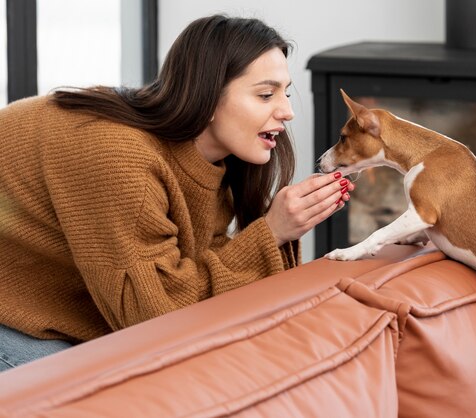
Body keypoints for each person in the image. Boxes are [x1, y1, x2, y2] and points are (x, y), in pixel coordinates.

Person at [0, 15, 354, 372]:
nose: (288, 112)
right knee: (87, 395)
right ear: (208, 94)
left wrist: (277, 230)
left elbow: (193, 271)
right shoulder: (119, 156)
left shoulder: (218, 160)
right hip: (11, 306)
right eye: (265, 94)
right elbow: (154, 319)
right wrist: (272, 231)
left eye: (285, 92)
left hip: (58, 292)